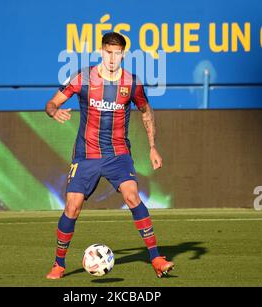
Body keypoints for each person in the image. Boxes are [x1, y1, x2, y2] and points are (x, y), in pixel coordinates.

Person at [45, 32, 174, 280]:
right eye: (108, 52)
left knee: (132, 195)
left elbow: (146, 112)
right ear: (101, 51)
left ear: (123, 54)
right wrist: (53, 112)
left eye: (117, 53)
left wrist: (152, 147)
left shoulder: (132, 83)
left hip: (118, 154)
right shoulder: (83, 78)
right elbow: (52, 103)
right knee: (72, 206)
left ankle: (156, 258)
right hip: (86, 155)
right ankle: (58, 264)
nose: (112, 58)